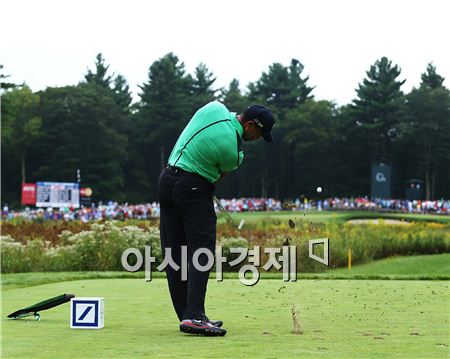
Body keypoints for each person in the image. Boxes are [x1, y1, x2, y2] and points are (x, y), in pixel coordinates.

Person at [157, 100, 275, 336]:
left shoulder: (214, 108)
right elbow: (217, 177)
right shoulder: (232, 150)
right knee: (203, 251)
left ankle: (187, 315)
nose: (258, 138)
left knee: (175, 252)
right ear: (251, 125)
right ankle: (194, 316)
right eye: (260, 133)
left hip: (166, 181)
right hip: (192, 189)